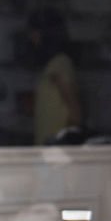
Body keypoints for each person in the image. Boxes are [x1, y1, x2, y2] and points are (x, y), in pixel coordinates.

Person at [27, 8, 84, 145]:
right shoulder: (52, 65)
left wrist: (63, 145)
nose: (31, 37)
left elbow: (75, 112)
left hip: (56, 152)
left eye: (34, 32)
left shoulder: (60, 64)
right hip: (46, 147)